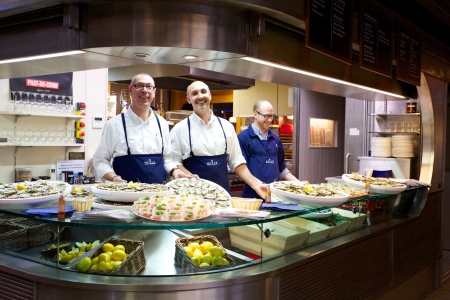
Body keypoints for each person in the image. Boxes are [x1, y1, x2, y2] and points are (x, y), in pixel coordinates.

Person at [169, 81, 266, 199]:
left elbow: (237, 161)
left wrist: (256, 184)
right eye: (195, 93)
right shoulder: (179, 129)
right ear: (188, 99)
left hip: (222, 197)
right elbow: (174, 162)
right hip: (192, 198)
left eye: (203, 92)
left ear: (210, 95)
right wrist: (194, 180)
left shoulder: (226, 126)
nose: (200, 96)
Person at [93, 73, 190, 183]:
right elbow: (99, 160)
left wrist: (174, 171)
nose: (144, 90)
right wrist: (114, 178)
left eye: (149, 87)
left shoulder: (162, 123)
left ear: (154, 92)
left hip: (158, 196)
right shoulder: (114, 124)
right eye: (139, 85)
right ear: (130, 90)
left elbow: (167, 159)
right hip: (125, 196)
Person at [238, 100, 300, 199]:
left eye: (272, 116)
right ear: (255, 114)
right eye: (266, 116)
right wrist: (259, 185)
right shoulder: (243, 139)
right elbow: (241, 170)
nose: (270, 120)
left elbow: (282, 169)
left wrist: (299, 184)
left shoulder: (275, 139)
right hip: (252, 198)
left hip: (274, 197)